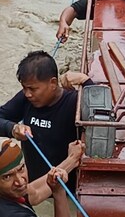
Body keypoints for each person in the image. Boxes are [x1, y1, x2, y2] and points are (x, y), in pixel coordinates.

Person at [0, 52, 91, 189]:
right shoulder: (26, 99)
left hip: (66, 187)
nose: (27, 94)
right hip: (33, 186)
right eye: (24, 88)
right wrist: (12, 128)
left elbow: (104, 121)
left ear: (53, 83)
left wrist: (87, 82)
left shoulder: (74, 102)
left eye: (33, 89)